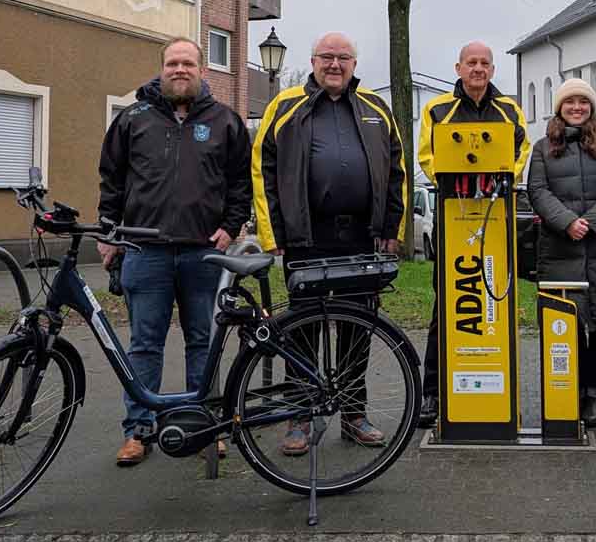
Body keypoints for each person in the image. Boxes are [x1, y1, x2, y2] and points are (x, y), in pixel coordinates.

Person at [251, 31, 407, 455]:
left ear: (355, 64)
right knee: (303, 328)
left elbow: (397, 169)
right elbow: (261, 168)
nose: (334, 65)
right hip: (307, 238)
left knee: (359, 326)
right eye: (326, 57)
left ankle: (354, 415)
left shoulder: (377, 108)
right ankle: (300, 417)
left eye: (343, 58)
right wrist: (273, 234)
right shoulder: (284, 107)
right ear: (313, 61)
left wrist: (393, 229)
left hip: (361, 236)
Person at [99, 37, 253, 466]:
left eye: (188, 63)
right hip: (144, 250)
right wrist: (109, 234)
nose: (179, 69)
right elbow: (111, 180)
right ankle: (138, 430)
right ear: (161, 69)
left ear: (202, 71)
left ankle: (203, 426)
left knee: (203, 341)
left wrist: (230, 226)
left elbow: (241, 182)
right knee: (144, 344)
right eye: (172, 63)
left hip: (204, 253)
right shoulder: (134, 119)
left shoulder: (225, 121)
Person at [416, 41, 530, 428]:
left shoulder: (509, 109)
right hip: (454, 215)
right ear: (458, 67)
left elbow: (521, 151)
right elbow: (428, 156)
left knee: (494, 304)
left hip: (496, 216)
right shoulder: (437, 109)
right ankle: (432, 392)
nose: (478, 69)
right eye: (471, 63)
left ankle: (496, 392)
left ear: (492, 70)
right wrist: (453, 179)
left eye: (484, 63)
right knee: (446, 307)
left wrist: (503, 180)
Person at [526, 78, 596, 428]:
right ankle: (568, 392)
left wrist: (590, 221)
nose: (577, 107)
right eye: (570, 101)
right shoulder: (543, 148)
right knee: (565, 326)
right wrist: (568, 222)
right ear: (559, 107)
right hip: (560, 249)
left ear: (592, 107)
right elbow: (537, 190)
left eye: (583, 101)